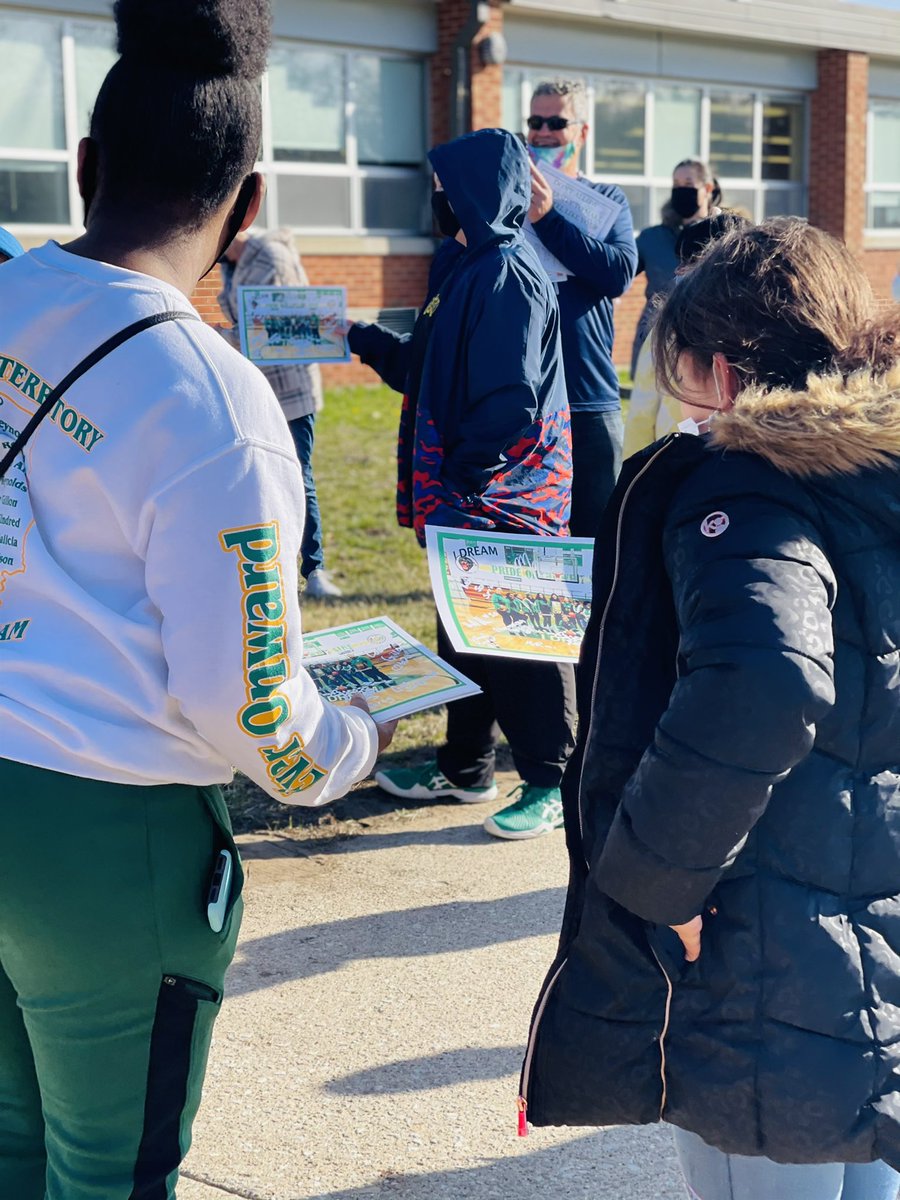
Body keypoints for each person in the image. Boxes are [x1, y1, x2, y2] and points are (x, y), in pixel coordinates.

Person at [0, 2, 395, 1196]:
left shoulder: (11, 296)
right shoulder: (217, 406)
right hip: (108, 836)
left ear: (84, 165)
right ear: (250, 202)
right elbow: (253, 706)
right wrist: (349, 746)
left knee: (13, 1145)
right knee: (113, 1169)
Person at [519, 218, 900, 1199]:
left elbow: (765, 680)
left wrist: (656, 886)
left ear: (723, 371)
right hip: (858, 918)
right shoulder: (874, 474)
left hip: (759, 947)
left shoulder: (745, 483)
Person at [346, 128, 577, 841]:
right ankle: (466, 764)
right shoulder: (468, 266)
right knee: (465, 633)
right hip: (465, 497)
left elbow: (511, 401)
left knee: (517, 638)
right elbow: (426, 366)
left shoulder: (508, 272)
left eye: (445, 189)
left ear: (478, 192)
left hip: (504, 497)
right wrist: (356, 336)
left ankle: (551, 779)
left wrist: (464, 479)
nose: (438, 200)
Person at [526, 80, 638, 536]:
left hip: (589, 399)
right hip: (526, 401)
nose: (544, 132)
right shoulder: (509, 201)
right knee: (535, 547)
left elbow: (618, 273)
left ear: (582, 131)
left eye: (556, 122)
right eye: (535, 122)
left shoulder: (608, 200)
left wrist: (548, 220)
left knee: (599, 544)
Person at [218, 228, 342, 598]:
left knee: (298, 476)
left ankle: (314, 570)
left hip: (289, 387)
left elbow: (275, 328)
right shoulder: (232, 263)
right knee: (259, 477)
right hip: (256, 385)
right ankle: (275, 566)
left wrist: (215, 336)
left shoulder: (270, 258)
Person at [623, 212, 747, 458]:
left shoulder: (758, 331)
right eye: (679, 261)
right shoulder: (666, 329)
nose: (679, 270)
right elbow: (642, 414)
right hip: (673, 462)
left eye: (691, 261)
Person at [630, 158, 721, 379]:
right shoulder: (652, 238)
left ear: (707, 188)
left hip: (706, 337)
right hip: (656, 334)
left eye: (688, 183)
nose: (681, 190)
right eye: (676, 184)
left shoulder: (724, 236)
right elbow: (618, 272)